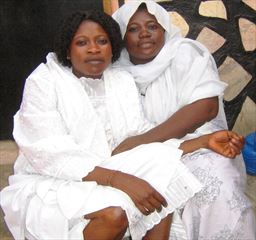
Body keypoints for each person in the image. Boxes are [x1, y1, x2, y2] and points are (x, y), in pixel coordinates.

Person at [0, 9, 246, 240]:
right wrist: (118, 179)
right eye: (82, 43)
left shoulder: (120, 80)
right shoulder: (44, 80)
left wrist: (202, 142)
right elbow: (49, 154)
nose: (94, 49)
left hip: (107, 168)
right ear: (67, 50)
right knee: (115, 214)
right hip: (53, 178)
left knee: (164, 181)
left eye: (102, 41)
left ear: (112, 48)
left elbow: (139, 136)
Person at [112, 1, 256, 239]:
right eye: (133, 29)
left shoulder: (184, 52)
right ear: (122, 37)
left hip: (202, 143)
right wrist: (142, 149)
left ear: (165, 30)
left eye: (152, 26)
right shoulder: (115, 71)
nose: (145, 33)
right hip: (146, 156)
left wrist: (143, 141)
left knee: (213, 183)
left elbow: (205, 108)